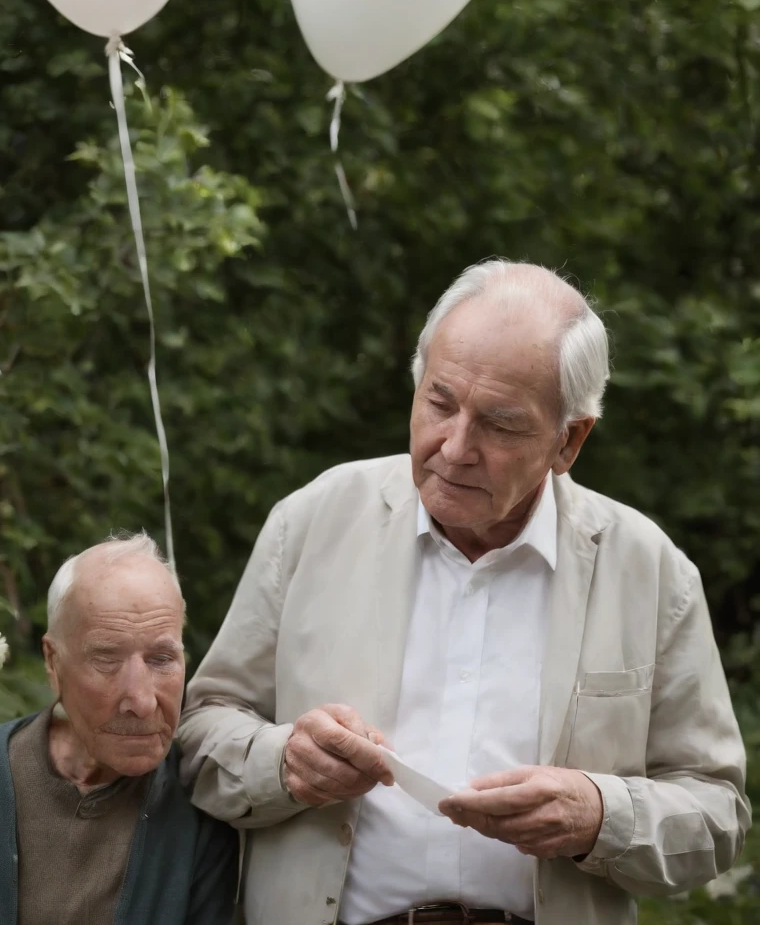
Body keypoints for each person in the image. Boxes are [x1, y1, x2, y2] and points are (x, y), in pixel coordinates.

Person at [178, 260, 750, 925]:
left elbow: (717, 815)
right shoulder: (313, 521)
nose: (454, 448)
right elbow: (200, 735)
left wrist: (600, 815)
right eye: (440, 403)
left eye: (500, 425)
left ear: (570, 440)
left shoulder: (648, 571)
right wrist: (285, 764)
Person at [0, 533, 237, 925]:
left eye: (161, 659)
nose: (141, 701)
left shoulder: (201, 806)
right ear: (53, 663)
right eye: (107, 659)